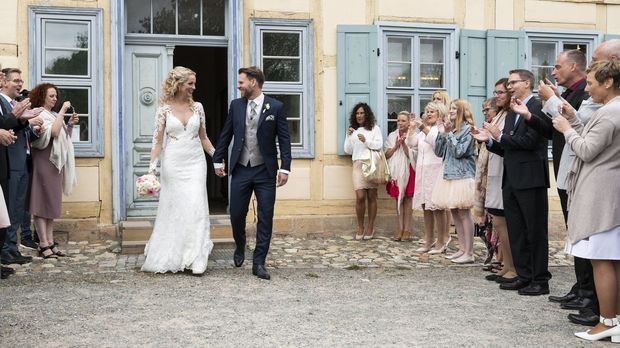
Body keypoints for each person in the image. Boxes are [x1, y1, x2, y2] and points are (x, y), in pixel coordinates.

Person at [521, 50, 594, 312]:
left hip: (579, 169)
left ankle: (588, 290)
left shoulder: (587, 91)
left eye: (558, 66)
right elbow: (554, 132)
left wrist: (552, 100)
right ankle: (581, 285)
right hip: (566, 169)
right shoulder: (572, 92)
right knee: (573, 232)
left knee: (581, 233)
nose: (553, 71)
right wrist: (530, 116)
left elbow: (577, 124)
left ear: (574, 67)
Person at [552, 60, 620, 342]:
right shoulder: (610, 111)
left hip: (599, 192)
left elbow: (587, 150)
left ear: (607, 83)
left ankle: (606, 322)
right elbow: (595, 140)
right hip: (609, 189)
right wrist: (576, 120)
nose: (587, 88)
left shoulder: (610, 112)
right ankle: (615, 322)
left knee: (601, 260)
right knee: (612, 261)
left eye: (591, 83)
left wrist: (566, 129)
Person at [475, 69, 551, 296]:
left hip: (530, 178)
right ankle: (523, 275)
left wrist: (499, 136)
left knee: (534, 231)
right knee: (517, 230)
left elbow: (530, 141)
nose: (509, 86)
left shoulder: (536, 106)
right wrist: (489, 141)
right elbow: (507, 146)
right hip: (511, 179)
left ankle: (540, 279)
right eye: (508, 83)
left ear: (527, 83)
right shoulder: (511, 112)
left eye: (513, 82)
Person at [213, 66, 292, 280]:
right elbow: (226, 133)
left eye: (241, 83)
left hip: (265, 171)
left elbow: (284, 139)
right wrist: (217, 159)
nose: (238, 86)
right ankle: (240, 245)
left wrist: (285, 167)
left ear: (253, 82)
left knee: (266, 216)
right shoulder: (236, 105)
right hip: (241, 169)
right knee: (237, 214)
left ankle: (259, 262)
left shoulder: (276, 107)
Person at [141, 67, 216, 275]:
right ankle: (174, 253)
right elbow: (157, 143)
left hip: (196, 163)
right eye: (190, 83)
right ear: (178, 84)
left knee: (196, 205)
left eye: (194, 83)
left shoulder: (198, 107)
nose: (194, 87)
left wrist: (217, 158)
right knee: (174, 208)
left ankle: (196, 257)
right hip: (173, 164)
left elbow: (204, 138)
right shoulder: (164, 110)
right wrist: (151, 170)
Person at [472, 79, 518, 283]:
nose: (498, 95)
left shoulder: (510, 114)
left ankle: (512, 266)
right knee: (498, 223)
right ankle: (507, 265)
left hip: (503, 173)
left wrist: (491, 137)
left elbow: (505, 140)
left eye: (502, 92)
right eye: (496, 92)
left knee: (503, 223)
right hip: (492, 173)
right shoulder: (500, 114)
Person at [29, 83, 77, 259]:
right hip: (43, 161)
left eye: (56, 96)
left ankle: (50, 241)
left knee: (51, 203)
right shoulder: (39, 113)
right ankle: (43, 244)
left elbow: (64, 137)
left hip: (55, 163)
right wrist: (64, 110)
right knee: (41, 203)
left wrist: (69, 125)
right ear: (42, 97)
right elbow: (54, 133)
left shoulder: (54, 115)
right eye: (51, 96)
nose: (55, 99)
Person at [0, 68, 40, 265]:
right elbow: (6, 126)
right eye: (16, 80)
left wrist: (29, 123)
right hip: (10, 161)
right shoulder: (2, 102)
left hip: (22, 160)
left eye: (21, 80)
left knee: (16, 208)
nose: (20, 84)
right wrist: (21, 118)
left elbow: (18, 128)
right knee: (8, 208)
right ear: (4, 82)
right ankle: (6, 249)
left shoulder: (14, 104)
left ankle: (12, 248)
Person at [429, 99, 477, 264]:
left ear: (462, 111)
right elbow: (438, 151)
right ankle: (462, 249)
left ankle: (469, 252)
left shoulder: (468, 130)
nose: (450, 112)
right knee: (455, 212)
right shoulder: (452, 129)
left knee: (464, 213)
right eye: (450, 108)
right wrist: (442, 134)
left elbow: (459, 152)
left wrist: (449, 134)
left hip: (463, 175)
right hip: (449, 173)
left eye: (454, 109)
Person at [408, 102, 449, 253]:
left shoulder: (442, 128)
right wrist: (412, 128)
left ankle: (441, 241)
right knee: (426, 206)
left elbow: (434, 141)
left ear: (440, 113)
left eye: (433, 111)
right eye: (427, 111)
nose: (429, 114)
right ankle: (429, 239)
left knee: (437, 207)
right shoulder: (423, 130)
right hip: (423, 170)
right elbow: (412, 143)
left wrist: (422, 127)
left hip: (435, 170)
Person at [343, 102, 383, 241]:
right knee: (360, 196)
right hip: (358, 164)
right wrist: (348, 136)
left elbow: (379, 145)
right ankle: (360, 226)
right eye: (357, 113)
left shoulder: (374, 129)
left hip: (371, 163)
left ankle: (370, 226)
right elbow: (347, 150)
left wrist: (366, 141)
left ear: (367, 114)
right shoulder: (353, 131)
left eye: (362, 113)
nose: (359, 115)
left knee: (372, 196)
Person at [384, 111, 415, 241]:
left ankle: (407, 229)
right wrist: (397, 145)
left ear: (408, 122)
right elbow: (386, 155)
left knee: (408, 200)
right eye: (398, 120)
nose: (400, 123)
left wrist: (404, 145)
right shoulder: (392, 135)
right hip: (396, 172)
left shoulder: (413, 136)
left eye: (403, 121)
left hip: (409, 168)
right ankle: (399, 227)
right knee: (398, 199)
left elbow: (414, 155)